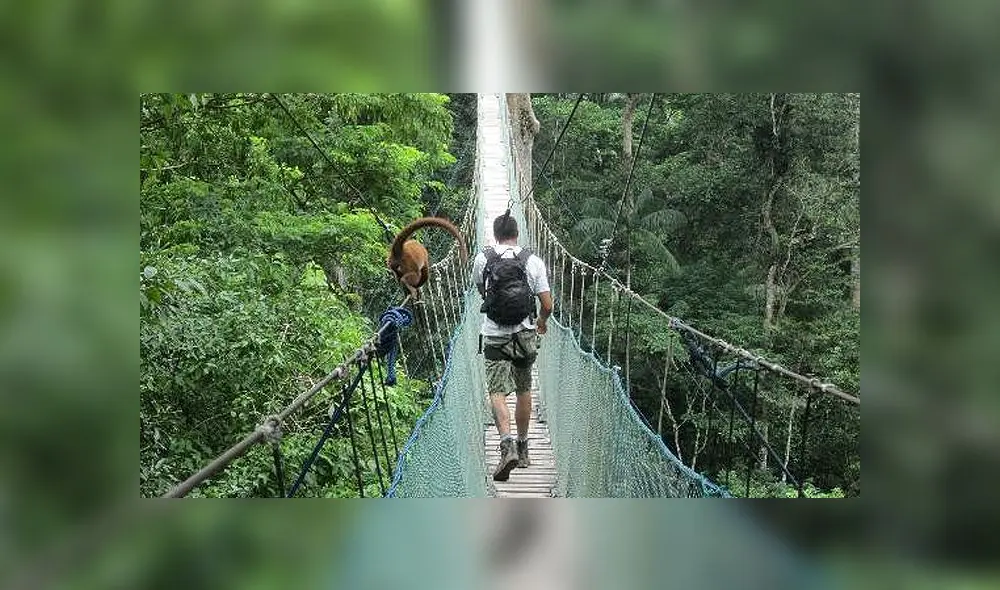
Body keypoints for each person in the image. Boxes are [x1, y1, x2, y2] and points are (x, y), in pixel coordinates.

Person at [473, 212, 553, 481]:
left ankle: (506, 444)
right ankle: (523, 447)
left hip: (494, 335)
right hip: (524, 335)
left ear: (495, 236)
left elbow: (481, 291)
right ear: (517, 234)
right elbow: (548, 305)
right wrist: (540, 322)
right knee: (523, 389)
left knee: (496, 391)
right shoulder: (533, 261)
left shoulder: (483, 258)